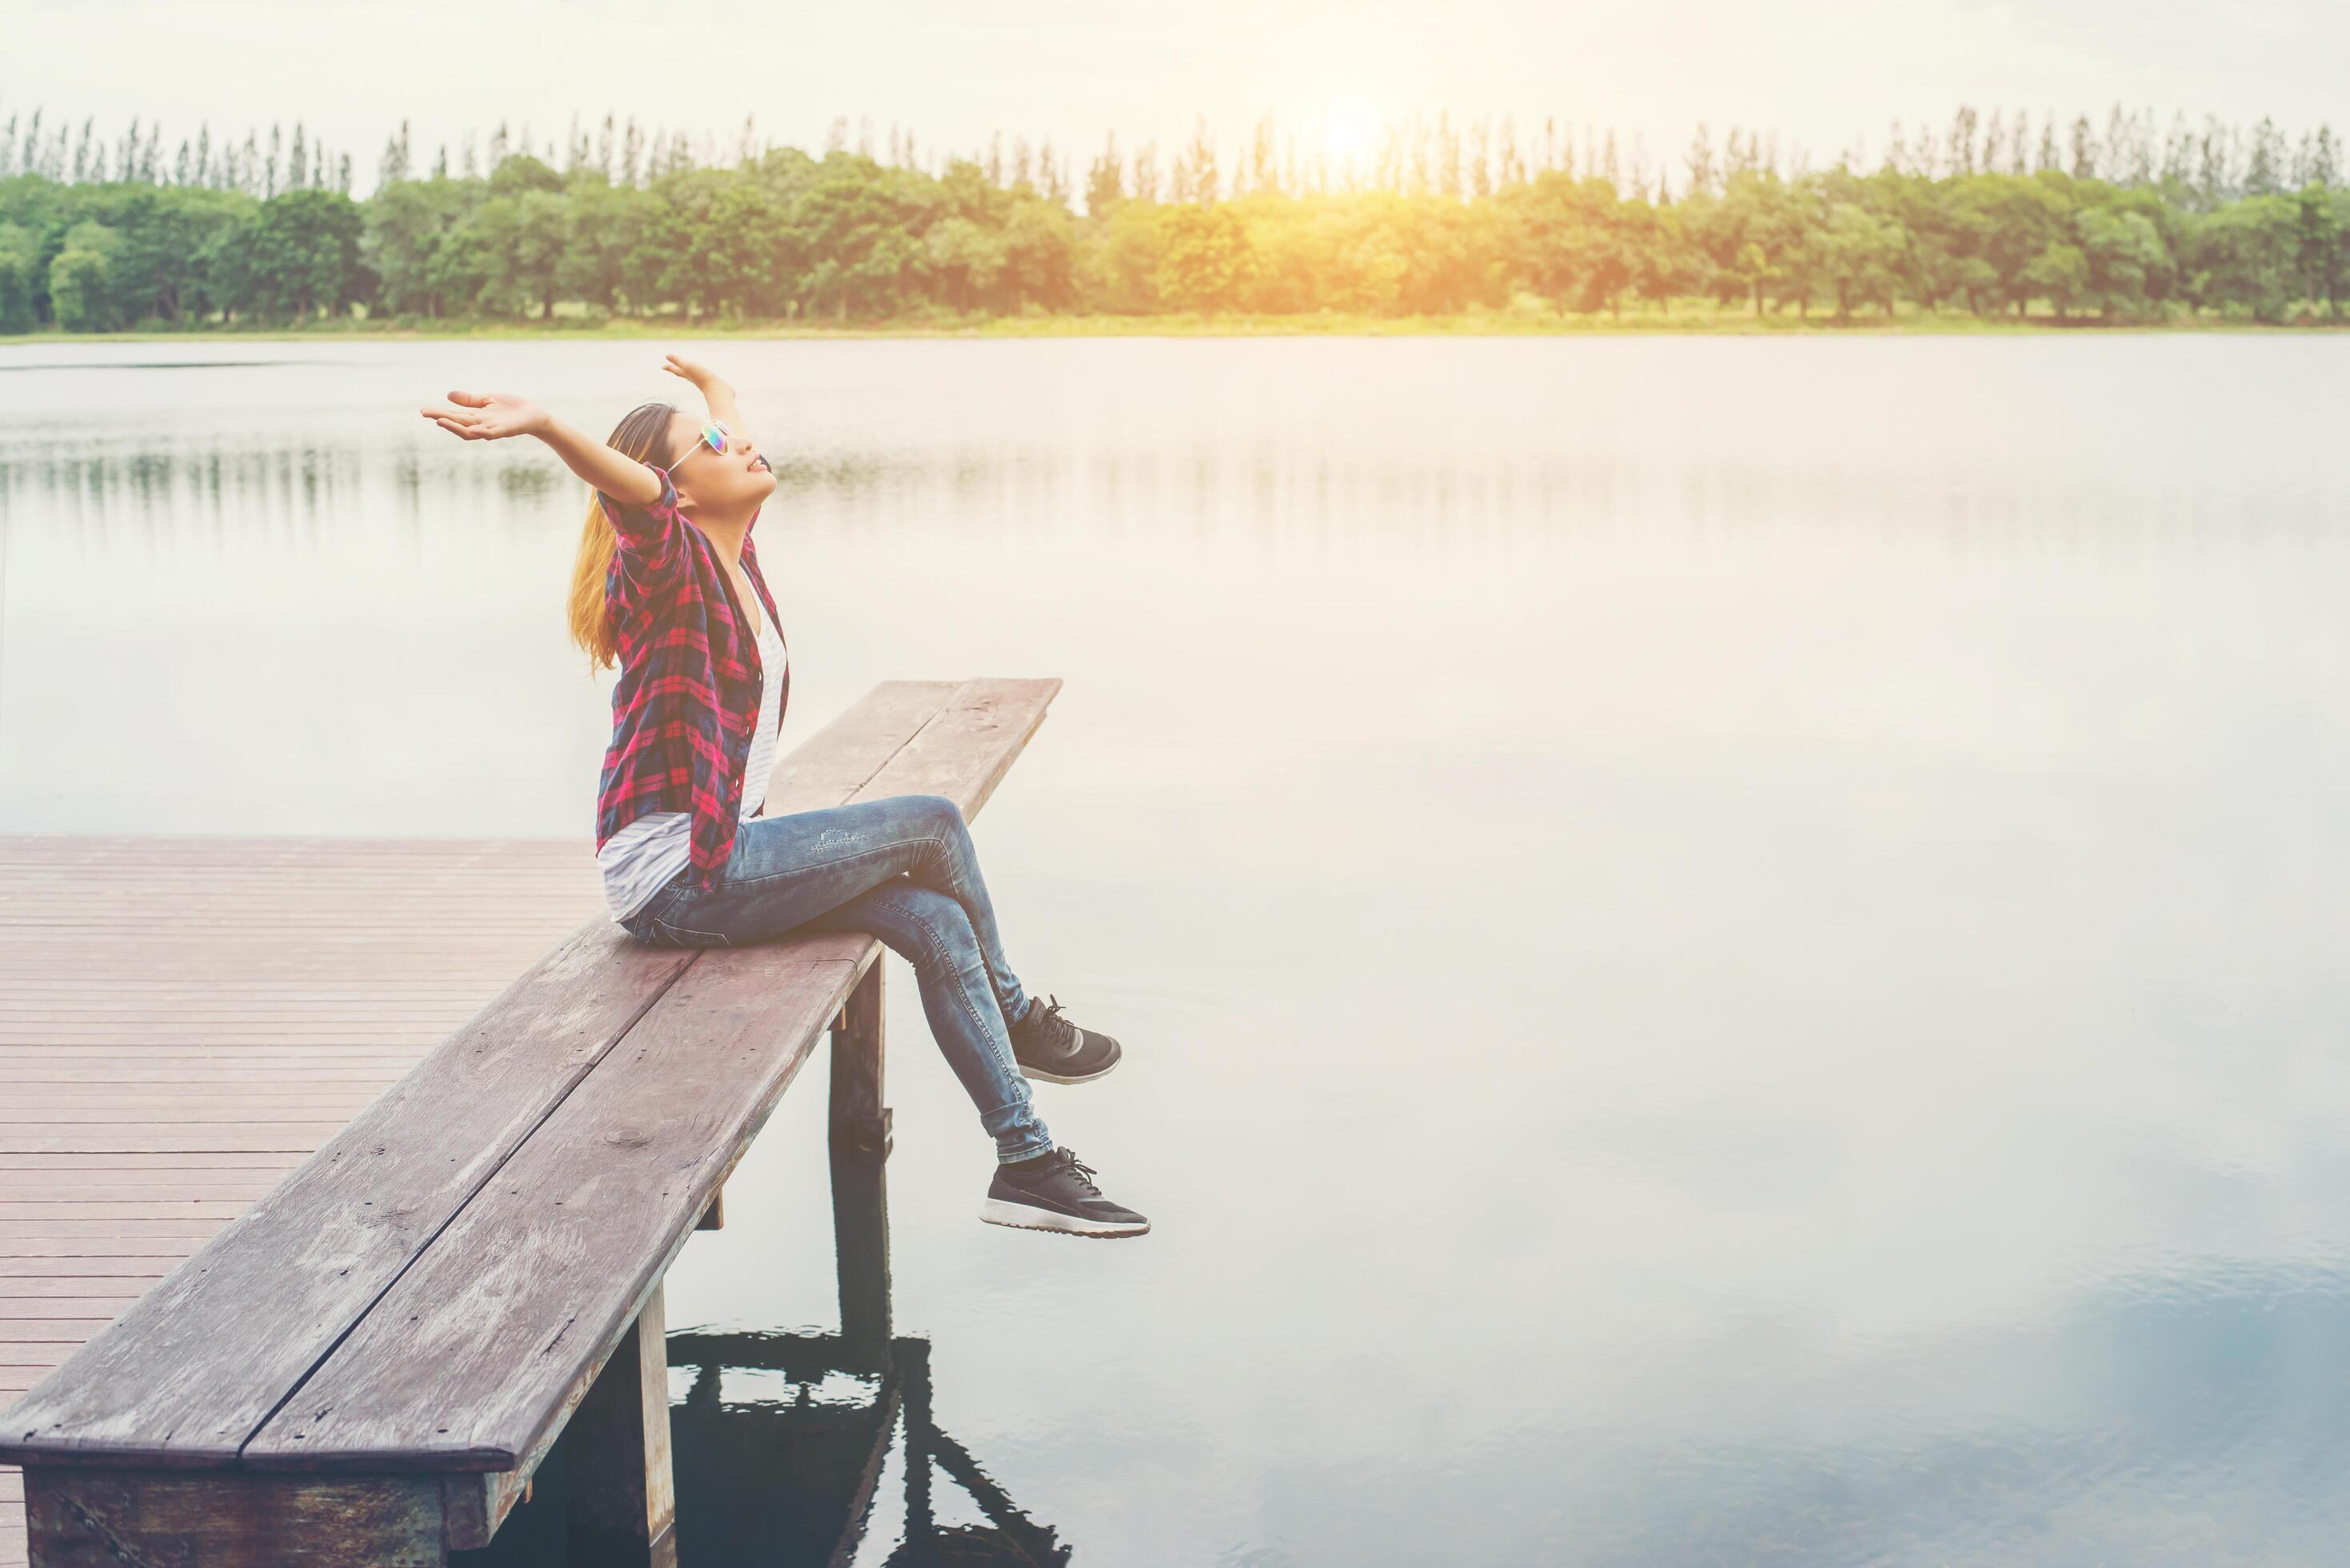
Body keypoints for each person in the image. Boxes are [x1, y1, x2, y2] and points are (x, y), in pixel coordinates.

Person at [418, 355, 1149, 1239]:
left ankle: (1025, 1162)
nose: (744, 448)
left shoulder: (734, 557)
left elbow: (710, 457)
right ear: (675, 494)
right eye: (713, 449)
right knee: (932, 821)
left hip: (724, 855)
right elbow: (642, 497)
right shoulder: (668, 571)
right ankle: (1020, 1016)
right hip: (681, 877)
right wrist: (546, 426)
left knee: (933, 920)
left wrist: (717, 401)